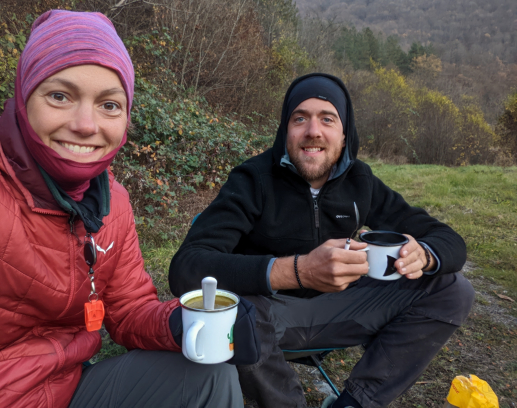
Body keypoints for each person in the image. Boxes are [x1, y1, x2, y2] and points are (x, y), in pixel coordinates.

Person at [0, 10, 259, 408]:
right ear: (24, 99)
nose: (85, 124)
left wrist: (182, 322)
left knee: (211, 376)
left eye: (109, 104)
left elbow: (128, 310)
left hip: (68, 386)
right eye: (60, 96)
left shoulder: (113, 203)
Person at [169, 73, 475, 408]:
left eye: (327, 119)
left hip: (343, 308)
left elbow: (447, 239)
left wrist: (423, 256)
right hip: (266, 318)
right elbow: (186, 267)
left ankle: (355, 403)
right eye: (299, 118)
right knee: (235, 313)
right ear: (285, 131)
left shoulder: (361, 180)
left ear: (344, 134)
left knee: (452, 289)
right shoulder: (253, 180)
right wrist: (297, 271)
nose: (313, 131)